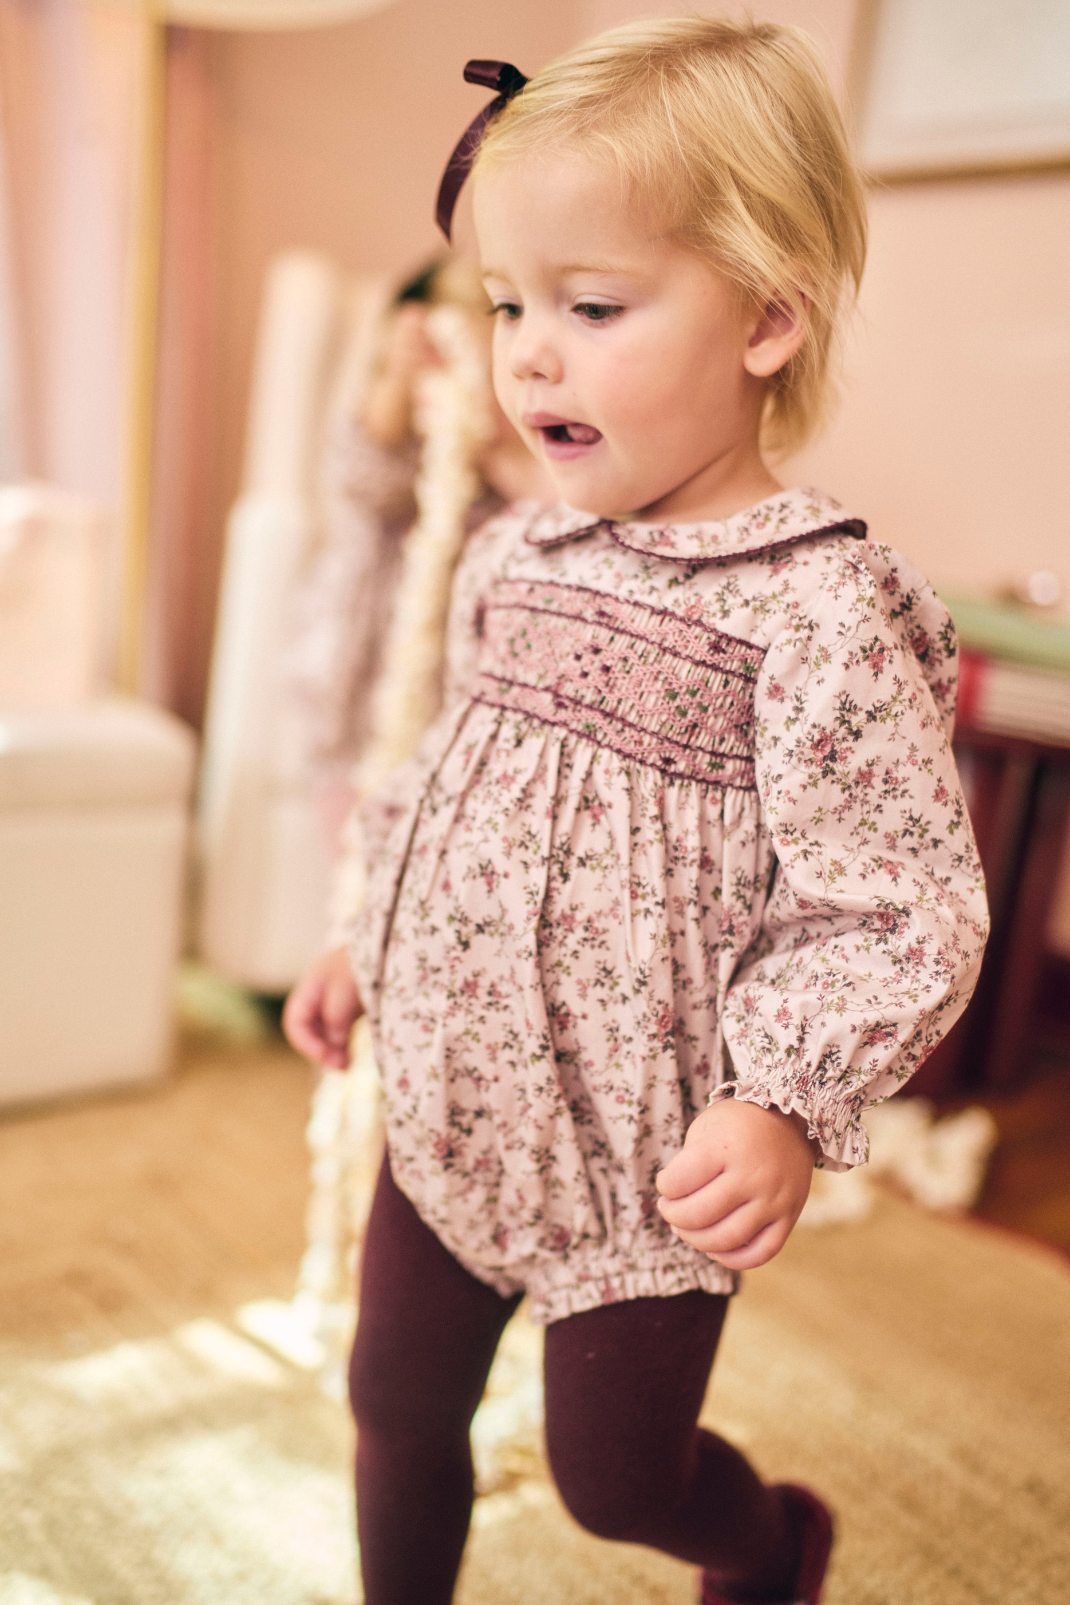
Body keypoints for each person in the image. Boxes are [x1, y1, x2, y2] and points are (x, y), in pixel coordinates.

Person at [284, 18, 988, 1604]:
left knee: (614, 1482)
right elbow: (447, 784)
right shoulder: (511, 555)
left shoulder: (817, 613)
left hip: (644, 1154)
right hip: (455, 1102)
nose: (528, 354)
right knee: (392, 1401)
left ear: (766, 318)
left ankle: (772, 1544)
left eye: (590, 307)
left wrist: (781, 1101)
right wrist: (360, 938)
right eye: (506, 305)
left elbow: (893, 903)